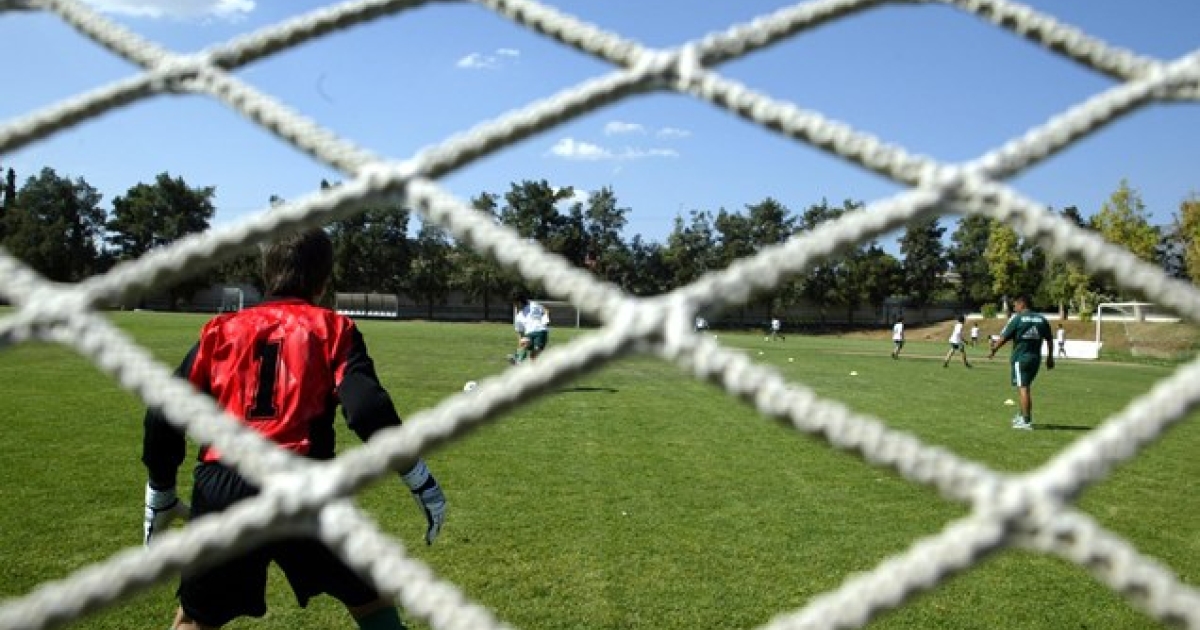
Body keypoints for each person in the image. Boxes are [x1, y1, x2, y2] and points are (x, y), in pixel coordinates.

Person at [141, 228, 447, 630]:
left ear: (267, 273)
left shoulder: (220, 331)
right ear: (324, 280)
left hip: (224, 486)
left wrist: (161, 493)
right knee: (371, 596)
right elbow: (367, 409)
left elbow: (163, 413)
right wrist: (419, 479)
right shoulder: (332, 329)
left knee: (196, 619)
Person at [988, 294, 1054, 431]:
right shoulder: (1042, 319)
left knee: (1023, 388)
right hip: (1035, 359)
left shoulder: (1017, 319)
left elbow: (1004, 338)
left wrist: (994, 350)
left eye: (1016, 304)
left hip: (1021, 358)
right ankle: (1022, 415)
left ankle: (1026, 421)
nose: (1014, 307)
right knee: (1025, 387)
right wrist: (1050, 357)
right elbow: (1049, 339)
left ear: (1022, 304)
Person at [509, 293, 550, 364]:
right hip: (529, 333)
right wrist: (520, 346)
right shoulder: (519, 317)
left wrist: (546, 321)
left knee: (534, 355)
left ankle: (520, 359)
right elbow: (520, 333)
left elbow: (545, 311)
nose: (515, 306)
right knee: (524, 342)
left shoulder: (533, 305)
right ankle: (519, 359)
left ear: (520, 302)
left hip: (541, 331)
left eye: (515, 304)